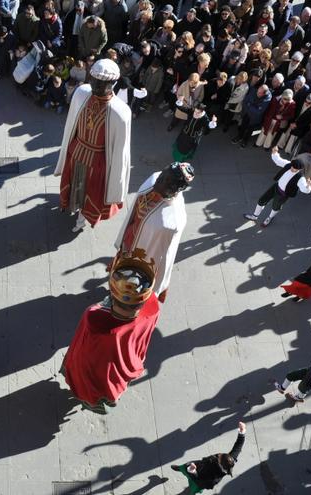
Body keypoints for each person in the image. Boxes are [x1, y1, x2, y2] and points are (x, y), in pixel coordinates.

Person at [61, 252, 161, 413]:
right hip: (127, 364)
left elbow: (82, 349)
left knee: (88, 388)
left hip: (94, 372)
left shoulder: (95, 318)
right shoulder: (153, 307)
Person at [55, 58, 131, 233]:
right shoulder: (81, 93)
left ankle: (81, 220)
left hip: (97, 165)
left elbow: (121, 151)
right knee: (73, 185)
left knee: (89, 194)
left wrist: (116, 181)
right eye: (94, 80)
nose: (95, 86)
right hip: (75, 153)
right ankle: (68, 205)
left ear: (113, 83)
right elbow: (70, 126)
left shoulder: (121, 112)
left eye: (101, 83)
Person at [115, 162, 192, 303]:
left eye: (167, 182)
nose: (159, 181)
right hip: (129, 239)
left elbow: (164, 255)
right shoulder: (153, 179)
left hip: (143, 259)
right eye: (163, 175)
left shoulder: (173, 221)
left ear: (176, 190)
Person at [243, 147, 311, 227]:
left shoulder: (300, 178)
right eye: (292, 167)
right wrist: (275, 152)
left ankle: (269, 218)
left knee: (275, 207)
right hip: (276, 187)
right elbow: (278, 161)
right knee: (262, 200)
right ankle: (254, 216)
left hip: (283, 194)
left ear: (299, 169)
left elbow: (304, 189)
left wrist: (308, 185)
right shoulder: (289, 165)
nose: (291, 169)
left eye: (294, 168)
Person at [170, 422, 246, 494]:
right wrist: (242, 432)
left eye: (220, 456)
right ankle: (179, 468)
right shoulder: (230, 460)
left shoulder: (214, 479)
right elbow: (238, 447)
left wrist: (193, 471)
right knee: (185, 466)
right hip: (198, 465)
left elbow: (201, 482)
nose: (219, 454)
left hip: (196, 480)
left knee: (192, 490)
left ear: (220, 463)